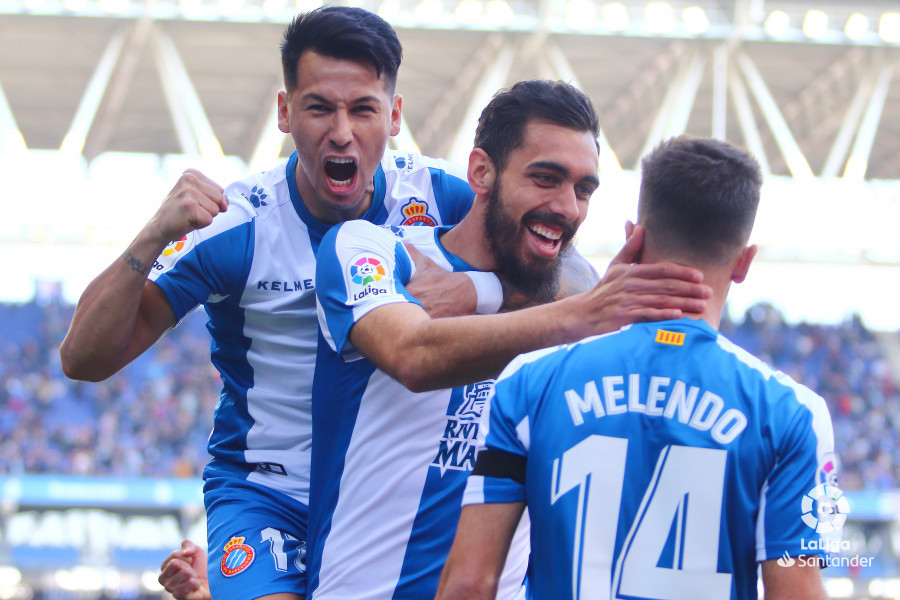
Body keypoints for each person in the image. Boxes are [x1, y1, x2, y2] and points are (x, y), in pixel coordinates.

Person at [61, 7, 488, 600]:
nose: (341, 131)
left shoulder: (440, 198)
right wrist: (152, 234)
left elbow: (569, 279)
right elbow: (82, 359)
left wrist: (474, 289)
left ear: (393, 117)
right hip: (267, 494)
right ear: (285, 112)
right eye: (319, 108)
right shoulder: (236, 226)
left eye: (362, 108)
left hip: (384, 495)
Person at [308, 82, 714, 600]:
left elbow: (581, 289)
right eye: (545, 178)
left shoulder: (569, 297)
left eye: (584, 189)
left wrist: (483, 290)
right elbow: (413, 354)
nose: (567, 207)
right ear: (481, 172)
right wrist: (579, 314)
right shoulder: (369, 248)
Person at [435, 136, 836, 600]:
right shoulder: (791, 414)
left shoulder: (528, 382)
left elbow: (467, 584)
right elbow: (796, 592)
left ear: (633, 239)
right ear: (744, 262)